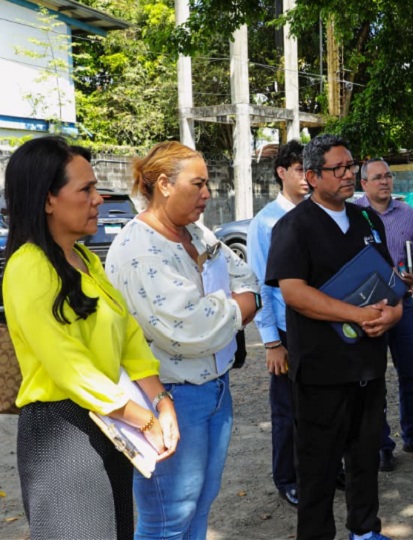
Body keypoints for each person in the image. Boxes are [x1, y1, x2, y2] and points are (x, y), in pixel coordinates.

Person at [3, 136, 178, 539]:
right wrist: (147, 420)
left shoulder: (83, 260)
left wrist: (160, 401)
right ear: (48, 199)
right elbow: (71, 369)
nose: (99, 199)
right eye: (86, 189)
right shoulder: (28, 267)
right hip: (63, 438)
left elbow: (128, 333)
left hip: (111, 425)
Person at [106, 141, 259, 539]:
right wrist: (237, 306)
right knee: (167, 517)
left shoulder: (195, 231)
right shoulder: (138, 248)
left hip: (214, 389)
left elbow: (248, 280)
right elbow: (192, 329)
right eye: (198, 184)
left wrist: (229, 305)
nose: (207, 193)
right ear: (164, 185)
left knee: (200, 504)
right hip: (171, 395)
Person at [267, 134, 401, 540]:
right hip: (321, 371)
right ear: (311, 176)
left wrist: (392, 314)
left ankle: (365, 530)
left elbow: (390, 283)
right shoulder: (294, 226)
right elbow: (294, 292)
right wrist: (357, 315)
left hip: (367, 365)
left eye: (351, 166)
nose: (348, 175)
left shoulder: (367, 220)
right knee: (318, 468)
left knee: (365, 458)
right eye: (337, 169)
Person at [356, 158, 413, 472]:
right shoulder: (353, 214)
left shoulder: (407, 213)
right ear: (364, 184)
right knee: (373, 377)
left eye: (388, 176)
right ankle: (381, 445)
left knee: (412, 371)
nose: (385, 181)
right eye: (377, 177)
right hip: (368, 307)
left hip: (403, 303)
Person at [247, 139, 309, 507]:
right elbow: (259, 284)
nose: (306, 178)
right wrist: (271, 342)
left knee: (321, 405)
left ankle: (322, 469)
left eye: (310, 170)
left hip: (320, 325)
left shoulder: (318, 213)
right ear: (281, 172)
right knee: (287, 409)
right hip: (287, 329)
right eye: (299, 170)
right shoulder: (266, 222)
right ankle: (287, 477)